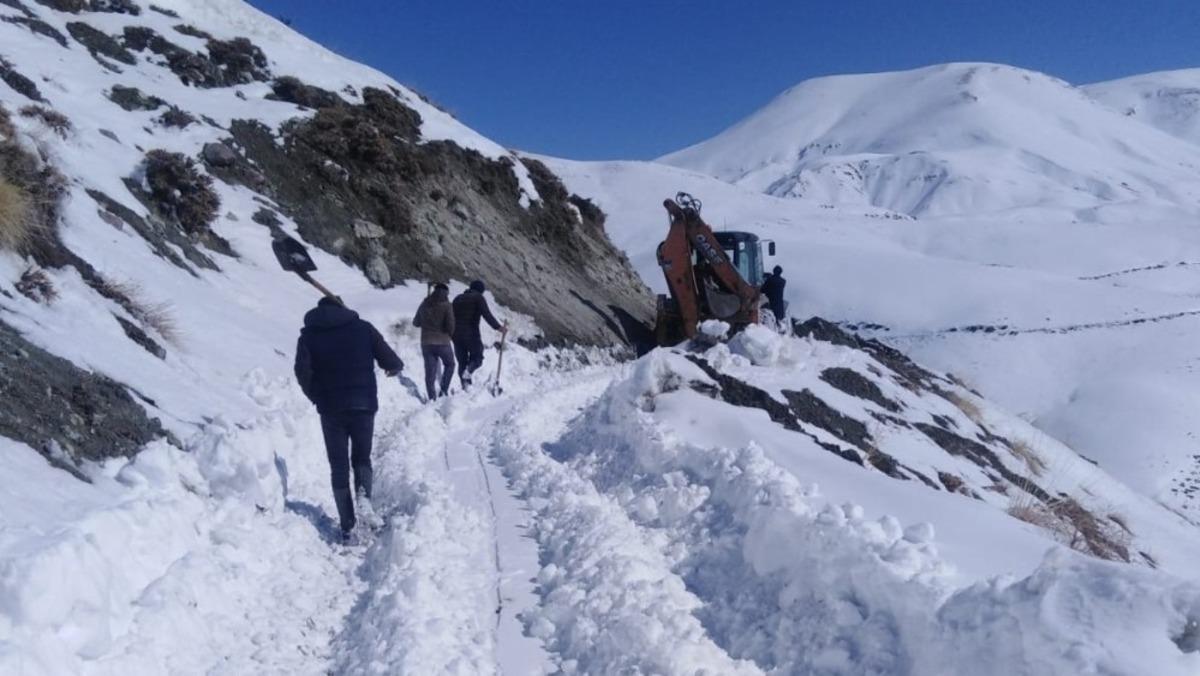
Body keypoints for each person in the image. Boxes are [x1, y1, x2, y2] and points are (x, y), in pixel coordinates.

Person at [294, 296, 402, 542]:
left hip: (330, 409)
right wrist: (393, 367)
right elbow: (391, 359)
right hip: (363, 405)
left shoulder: (309, 336)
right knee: (361, 457)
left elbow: (302, 372)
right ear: (342, 308)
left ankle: (347, 524)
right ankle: (364, 496)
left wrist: (317, 396)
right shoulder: (363, 328)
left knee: (338, 464)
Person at [452, 280, 505, 388]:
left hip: (456, 335)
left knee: (462, 361)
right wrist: (498, 327)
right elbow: (486, 314)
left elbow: (450, 316)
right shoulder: (478, 298)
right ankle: (468, 372)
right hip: (471, 333)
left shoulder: (458, 298)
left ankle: (465, 386)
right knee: (477, 357)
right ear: (481, 290)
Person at [413, 283, 456, 400]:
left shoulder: (424, 303)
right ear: (446, 293)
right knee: (450, 364)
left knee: (430, 373)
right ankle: (443, 390)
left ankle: (432, 398)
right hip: (443, 342)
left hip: (426, 343)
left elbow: (416, 322)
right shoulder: (447, 305)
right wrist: (450, 335)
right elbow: (450, 326)